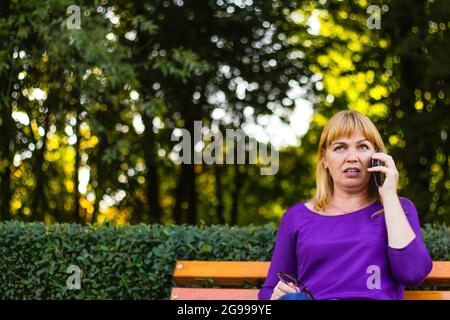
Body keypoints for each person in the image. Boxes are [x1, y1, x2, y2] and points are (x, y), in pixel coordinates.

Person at [258, 110, 433, 300]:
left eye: (362, 147)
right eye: (340, 148)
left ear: (377, 158)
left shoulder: (397, 209)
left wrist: (389, 195)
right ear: (324, 159)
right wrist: (277, 295)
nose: (352, 157)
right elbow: (268, 291)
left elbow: (413, 273)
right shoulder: (296, 217)